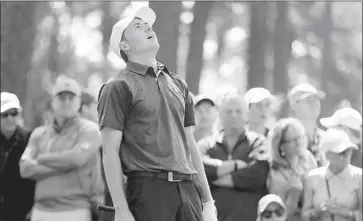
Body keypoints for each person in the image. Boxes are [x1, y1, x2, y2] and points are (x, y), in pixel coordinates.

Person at [98, 6, 217, 221]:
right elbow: (109, 151)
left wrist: (208, 202)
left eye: (148, 25)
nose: (147, 27)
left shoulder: (179, 84)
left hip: (188, 189)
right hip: (148, 192)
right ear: (124, 45)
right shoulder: (118, 86)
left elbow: (190, 146)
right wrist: (121, 209)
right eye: (138, 26)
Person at [19, 75, 104, 221]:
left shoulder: (90, 130)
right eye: (61, 98)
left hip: (75, 210)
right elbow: (25, 169)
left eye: (71, 98)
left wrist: (41, 159)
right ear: (53, 102)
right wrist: (67, 166)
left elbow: (76, 159)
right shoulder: (39, 133)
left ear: (78, 102)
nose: (66, 102)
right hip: (40, 210)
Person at [198, 92, 270, 221]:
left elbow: (257, 175)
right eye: (228, 111)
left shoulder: (259, 142)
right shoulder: (205, 144)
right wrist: (235, 165)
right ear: (220, 115)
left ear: (246, 114)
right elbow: (199, 169)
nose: (233, 115)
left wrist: (213, 179)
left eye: (238, 111)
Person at [302, 128, 362, 221]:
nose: (346, 156)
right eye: (341, 153)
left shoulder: (359, 177)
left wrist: (345, 212)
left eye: (349, 151)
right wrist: (319, 210)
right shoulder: (312, 177)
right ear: (327, 154)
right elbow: (304, 215)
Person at [267, 118, 317, 221]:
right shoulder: (274, 173)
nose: (299, 142)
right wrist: (293, 196)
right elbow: (278, 216)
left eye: (300, 137)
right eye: (292, 140)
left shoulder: (308, 158)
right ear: (281, 146)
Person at [0, 92, 35, 221]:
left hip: (22, 213)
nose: (10, 118)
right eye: (4, 114)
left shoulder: (31, 139)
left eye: (14, 113)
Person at [288, 83, 326, 166]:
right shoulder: (286, 139)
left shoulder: (326, 138)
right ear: (294, 105)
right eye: (309, 100)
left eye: (317, 99)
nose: (315, 103)